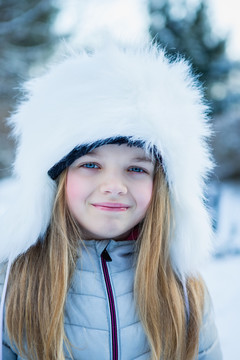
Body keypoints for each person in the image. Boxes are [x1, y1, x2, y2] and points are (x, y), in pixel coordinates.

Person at [0, 44, 222, 360]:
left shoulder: (183, 291)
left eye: (136, 168)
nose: (114, 186)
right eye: (91, 165)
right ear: (54, 179)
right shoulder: (12, 285)